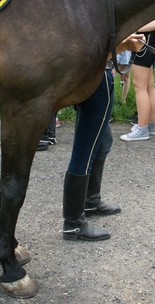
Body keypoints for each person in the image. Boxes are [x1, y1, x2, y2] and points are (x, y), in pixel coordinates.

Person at [62, 34, 144, 241]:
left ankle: (90, 201)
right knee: (85, 153)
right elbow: (90, 54)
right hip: (96, 79)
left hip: (97, 77)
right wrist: (124, 45)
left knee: (102, 143)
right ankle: (73, 224)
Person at [120, 15, 155, 142]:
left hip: (144, 41)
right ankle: (150, 124)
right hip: (151, 41)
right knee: (149, 86)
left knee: (139, 87)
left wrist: (131, 30)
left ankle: (142, 129)